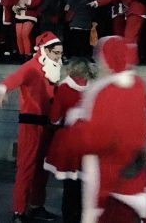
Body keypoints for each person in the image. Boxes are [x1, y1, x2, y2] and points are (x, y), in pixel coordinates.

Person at [62, 36, 146, 222]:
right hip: (133, 170)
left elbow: (94, 138)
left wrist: (75, 124)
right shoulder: (137, 84)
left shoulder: (103, 91)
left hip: (106, 173)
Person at [0, 32, 63, 223]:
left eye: (60, 53)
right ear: (45, 51)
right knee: (26, 168)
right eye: (56, 53)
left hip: (47, 125)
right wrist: (2, 92)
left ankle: (37, 205)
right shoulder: (31, 67)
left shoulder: (51, 68)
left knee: (42, 169)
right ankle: (19, 210)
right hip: (31, 125)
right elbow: (10, 81)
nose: (59, 57)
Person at [44, 57, 93, 223]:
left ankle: (69, 218)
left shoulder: (64, 88)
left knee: (69, 186)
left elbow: (55, 118)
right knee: (84, 186)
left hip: (68, 139)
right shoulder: (94, 88)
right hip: (88, 140)